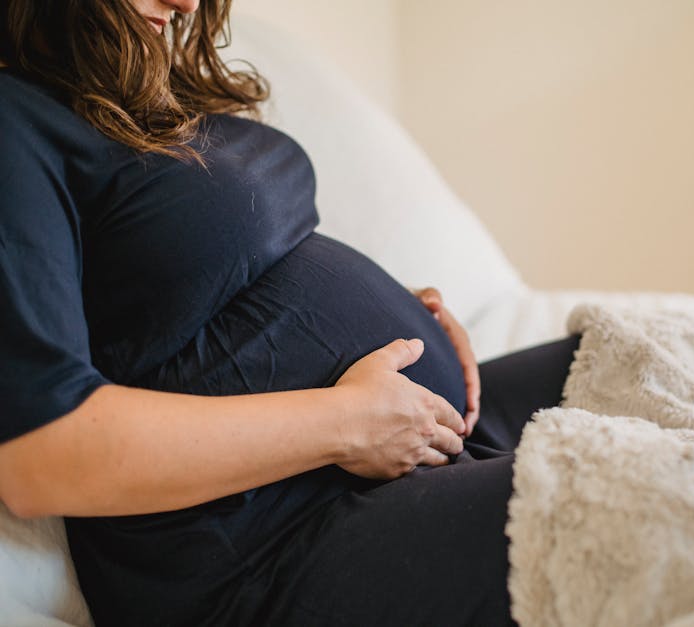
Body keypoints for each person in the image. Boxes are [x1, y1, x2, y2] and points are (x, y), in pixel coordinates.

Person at [0, 1, 580, 625]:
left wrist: (403, 314)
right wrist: (344, 422)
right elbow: (40, 457)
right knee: (643, 498)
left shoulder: (124, 93)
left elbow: (181, 282)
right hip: (275, 541)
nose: (186, 4)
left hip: (401, 450)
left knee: (666, 360)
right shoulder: (14, 117)